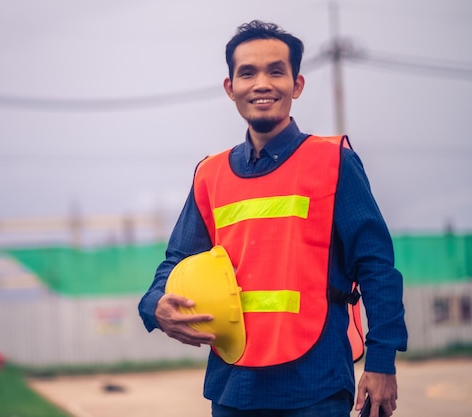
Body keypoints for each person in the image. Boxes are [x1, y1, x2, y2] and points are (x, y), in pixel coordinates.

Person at [138, 20, 407, 417]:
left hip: (315, 382)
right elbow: (177, 261)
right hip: (233, 386)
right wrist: (154, 305)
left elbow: (377, 267)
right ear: (230, 88)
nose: (261, 83)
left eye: (275, 71)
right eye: (247, 72)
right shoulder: (210, 174)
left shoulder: (334, 163)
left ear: (296, 85)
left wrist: (382, 361)